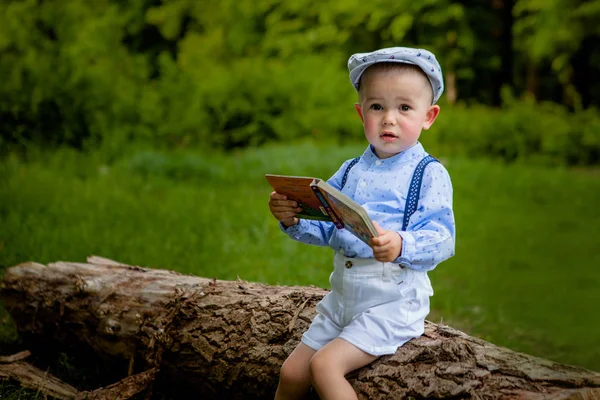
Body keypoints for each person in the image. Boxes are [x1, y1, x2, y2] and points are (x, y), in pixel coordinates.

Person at [268, 46, 456, 400]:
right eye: (376, 106)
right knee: (292, 372)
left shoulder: (428, 173)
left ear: (428, 116)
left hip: (392, 301)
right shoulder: (351, 170)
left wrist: (402, 244)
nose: (389, 118)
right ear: (361, 113)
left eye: (404, 107)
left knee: (325, 367)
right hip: (344, 299)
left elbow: (442, 238)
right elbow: (328, 227)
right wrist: (293, 218)